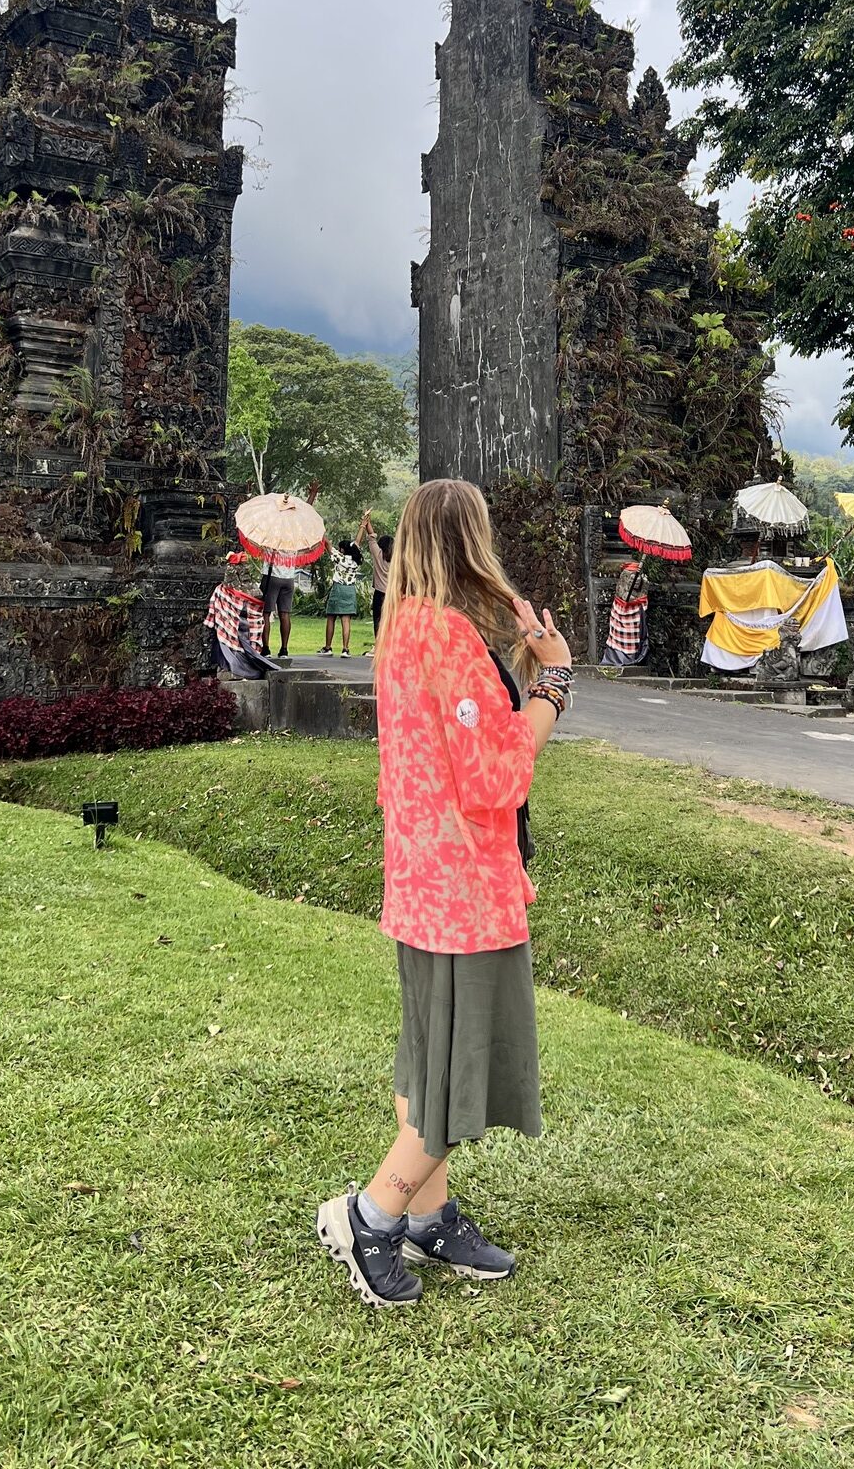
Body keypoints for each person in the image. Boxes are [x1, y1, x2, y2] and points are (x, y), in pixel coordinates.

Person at [316, 478, 574, 1308]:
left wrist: (521, 667)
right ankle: (371, 1215)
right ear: (470, 542)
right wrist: (552, 690)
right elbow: (494, 776)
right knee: (459, 1074)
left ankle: (429, 1214)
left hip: (421, 878)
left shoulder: (401, 627)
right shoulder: (449, 640)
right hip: (463, 890)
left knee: (426, 1055)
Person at [204, 552, 277, 679]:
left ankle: (236, 668)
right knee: (242, 642)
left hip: (238, 609)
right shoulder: (245, 572)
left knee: (234, 642)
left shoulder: (230, 573)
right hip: (245, 608)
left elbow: (230, 584)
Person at [322, 540, 362, 659]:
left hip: (338, 589)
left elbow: (328, 544)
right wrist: (362, 527)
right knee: (346, 621)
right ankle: (345, 649)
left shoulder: (340, 558)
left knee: (331, 618)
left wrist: (320, 531)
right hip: (350, 590)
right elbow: (357, 543)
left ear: (343, 550)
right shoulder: (356, 560)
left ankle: (328, 647)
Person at [359, 511, 392, 640]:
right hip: (392, 594)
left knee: (378, 619)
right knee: (390, 620)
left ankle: (379, 645)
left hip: (379, 593)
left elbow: (371, 536)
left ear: (381, 545)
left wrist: (367, 521)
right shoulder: (397, 559)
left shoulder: (378, 555)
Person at [259, 556, 296, 659]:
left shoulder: (271, 541)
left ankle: (265, 648)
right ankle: (284, 649)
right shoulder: (293, 544)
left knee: (266, 613)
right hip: (289, 579)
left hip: (272, 577)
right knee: (285, 614)